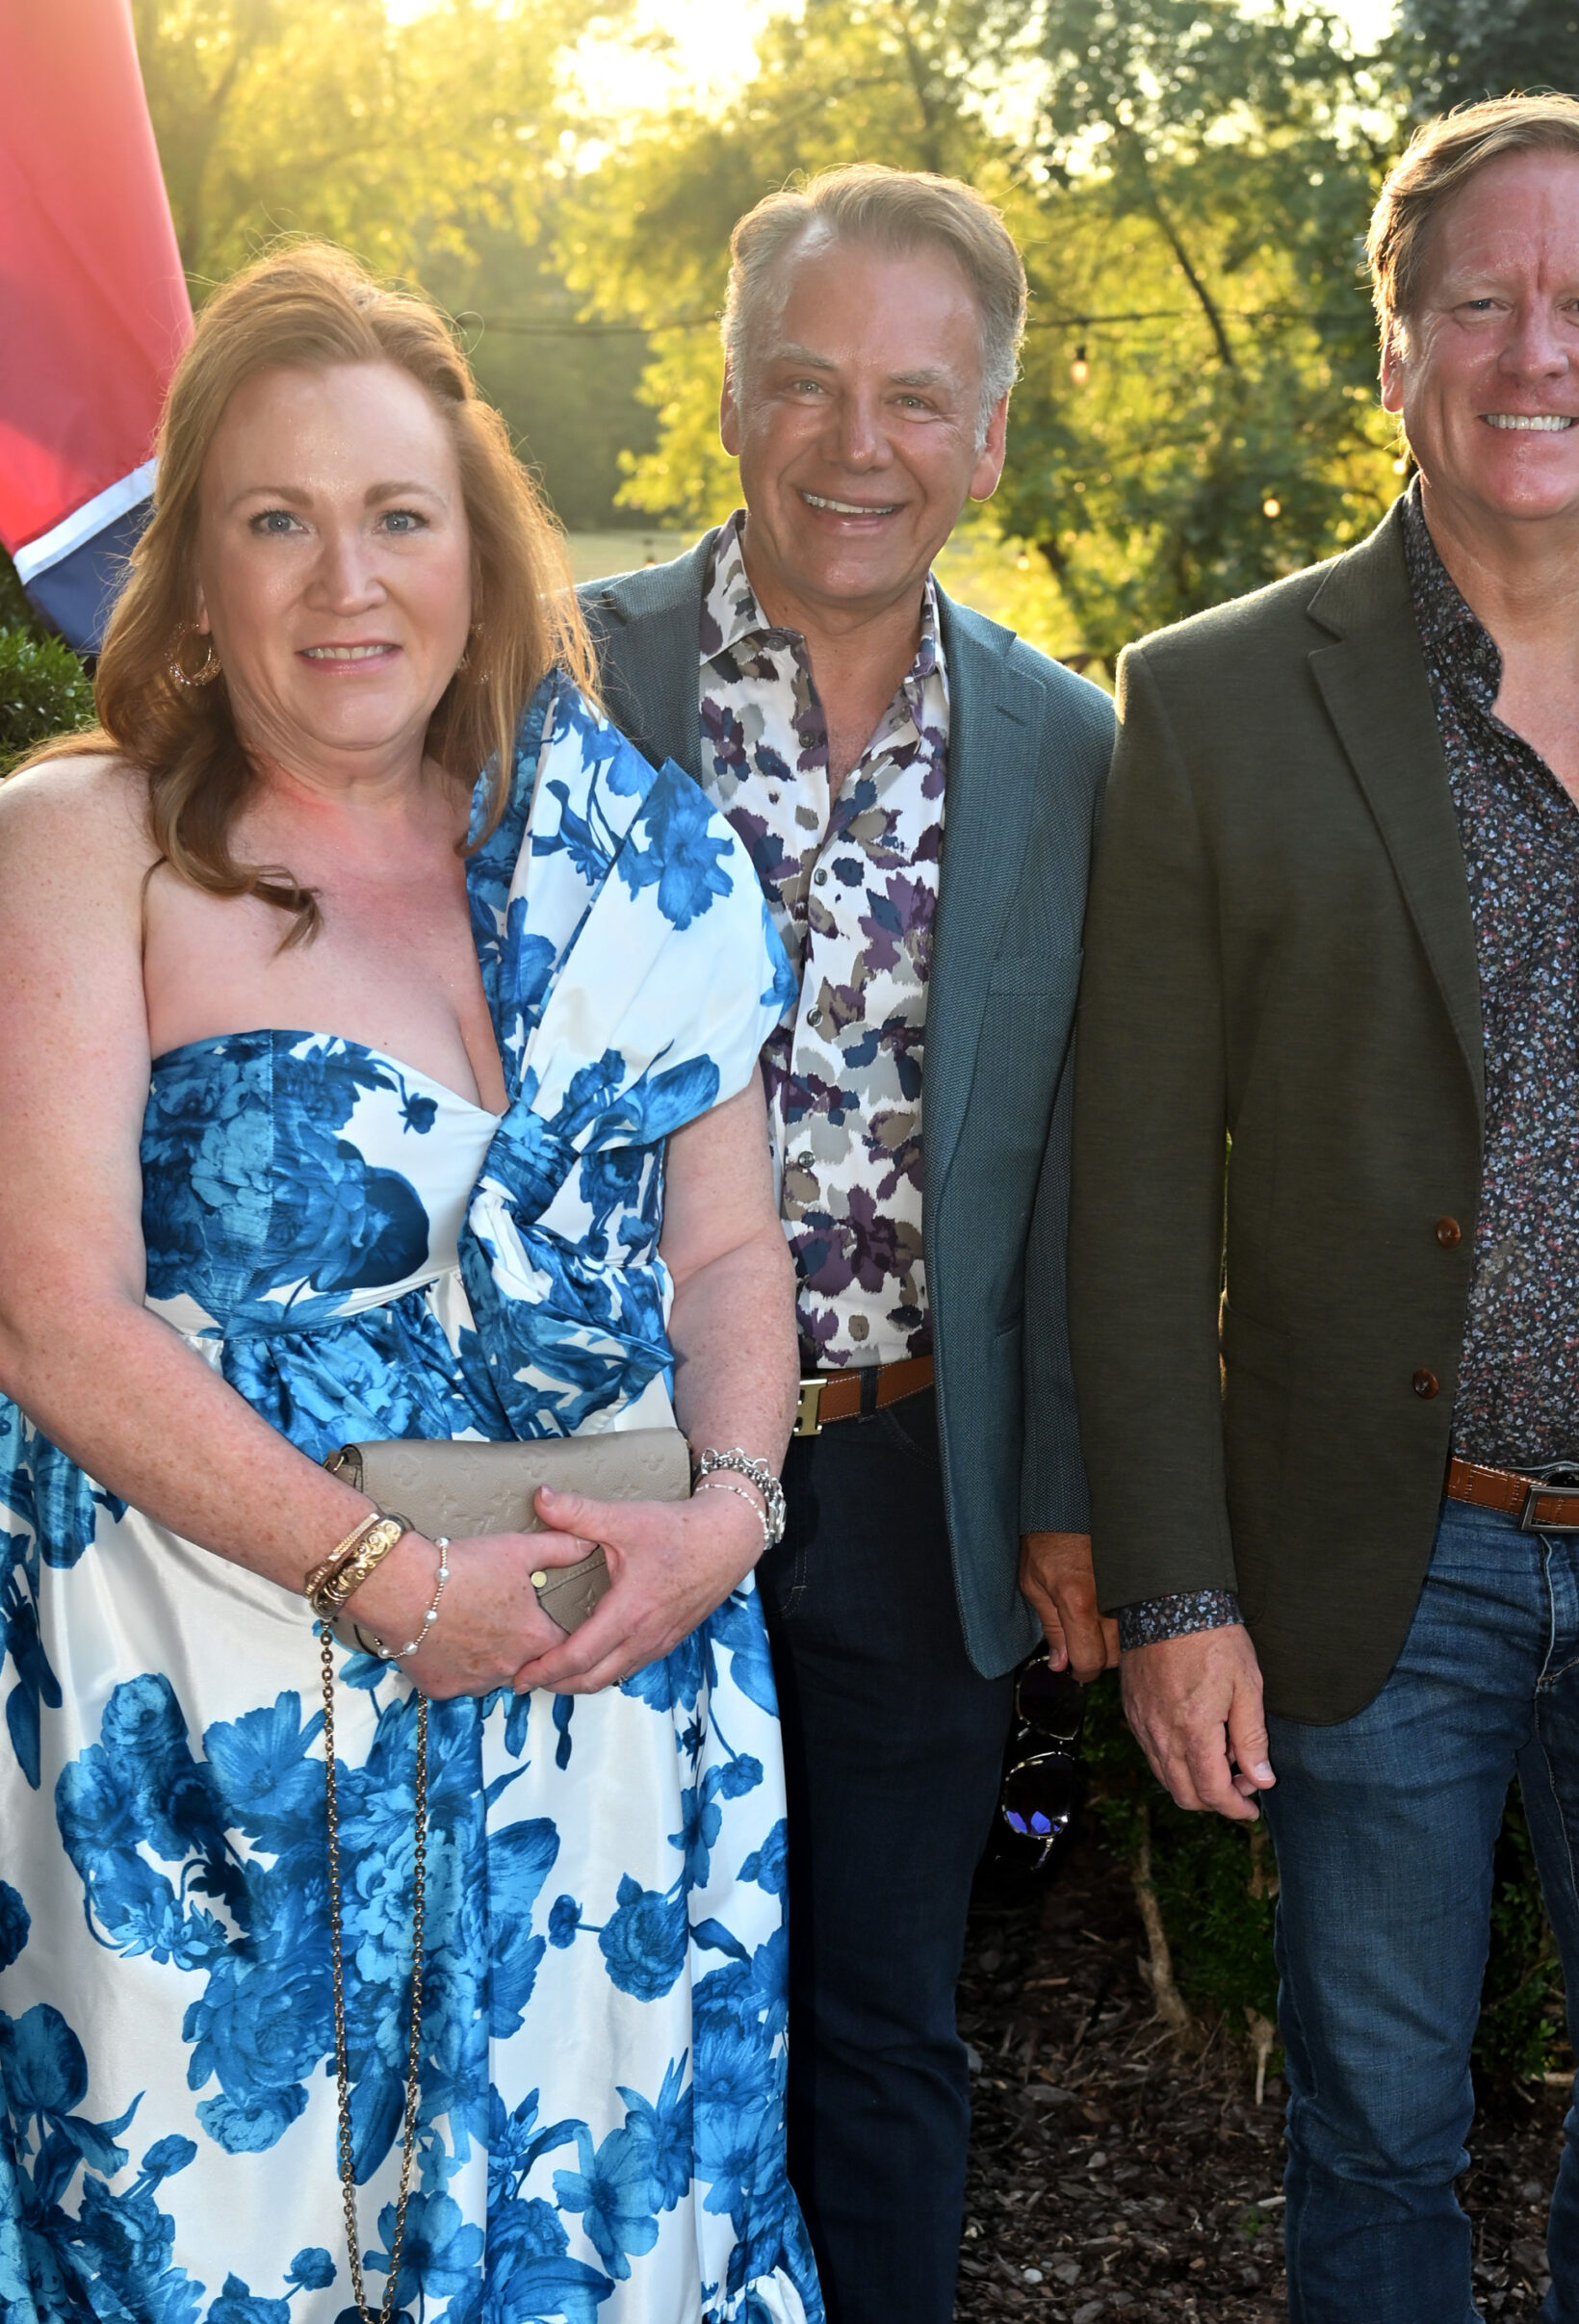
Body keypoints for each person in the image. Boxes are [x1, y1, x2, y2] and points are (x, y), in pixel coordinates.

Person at [1069, 92, 1579, 2321]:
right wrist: (1173, 1592)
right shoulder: (1216, 701)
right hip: (1381, 1556)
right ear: (1392, 351)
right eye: (1476, 304)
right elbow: (1130, 1190)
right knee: (1373, 2129)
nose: (1533, 352)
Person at [0, 245, 819, 2312]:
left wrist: (727, 1519)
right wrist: (382, 1582)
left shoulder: (632, 862)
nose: (345, 582)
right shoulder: (83, 844)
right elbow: (52, 1313)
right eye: (276, 520)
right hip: (217, 1730)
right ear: (195, 574)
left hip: (602, 1687)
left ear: (480, 555)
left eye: (397, 517)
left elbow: (729, 1246)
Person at [580, 164, 1116, 2324]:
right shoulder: (552, 674)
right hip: (598, 1455)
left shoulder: (1071, 747)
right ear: (729, 398)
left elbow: (1083, 1160)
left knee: (881, 2027)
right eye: (805, 383)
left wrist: (1067, 1498)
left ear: (986, 438)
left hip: (909, 1474)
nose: (854, 443)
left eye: (913, 398)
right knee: (590, 2004)